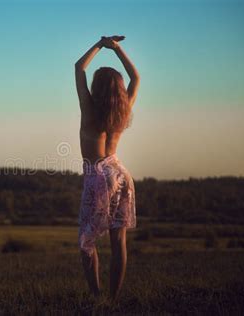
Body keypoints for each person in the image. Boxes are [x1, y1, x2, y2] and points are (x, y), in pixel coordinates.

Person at [74, 35, 140, 304]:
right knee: (118, 241)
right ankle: (113, 299)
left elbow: (79, 67)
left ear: (96, 88)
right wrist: (118, 49)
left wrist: (100, 45)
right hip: (121, 175)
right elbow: (135, 78)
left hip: (98, 178)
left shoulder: (89, 111)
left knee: (86, 242)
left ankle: (96, 296)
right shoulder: (123, 111)